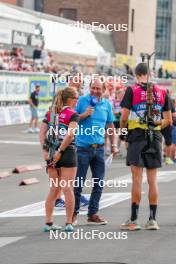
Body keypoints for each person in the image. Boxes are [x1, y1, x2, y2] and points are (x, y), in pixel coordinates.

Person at [120, 63, 172, 231]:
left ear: (136, 74)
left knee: (136, 179)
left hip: (137, 136)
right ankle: (152, 219)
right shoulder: (163, 91)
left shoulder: (132, 90)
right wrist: (156, 122)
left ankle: (134, 220)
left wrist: (123, 134)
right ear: (150, 73)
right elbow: (169, 121)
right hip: (155, 137)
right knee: (153, 180)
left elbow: (124, 117)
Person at [73, 78, 118, 225]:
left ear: (103, 90)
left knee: (98, 183)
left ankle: (92, 214)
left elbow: (110, 125)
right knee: (78, 183)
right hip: (82, 149)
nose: (95, 91)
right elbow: (71, 120)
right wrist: (84, 115)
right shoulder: (81, 101)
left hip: (99, 149)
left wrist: (114, 145)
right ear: (89, 88)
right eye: (93, 88)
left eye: (98, 88)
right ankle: (73, 215)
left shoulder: (106, 104)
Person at [39, 87, 79, 232]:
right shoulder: (73, 114)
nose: (77, 100)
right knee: (68, 188)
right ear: (70, 99)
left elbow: (42, 132)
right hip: (67, 152)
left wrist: (45, 151)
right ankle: (68, 223)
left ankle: (48, 223)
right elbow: (70, 135)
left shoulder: (50, 113)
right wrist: (60, 151)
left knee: (53, 189)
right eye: (76, 98)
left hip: (50, 152)